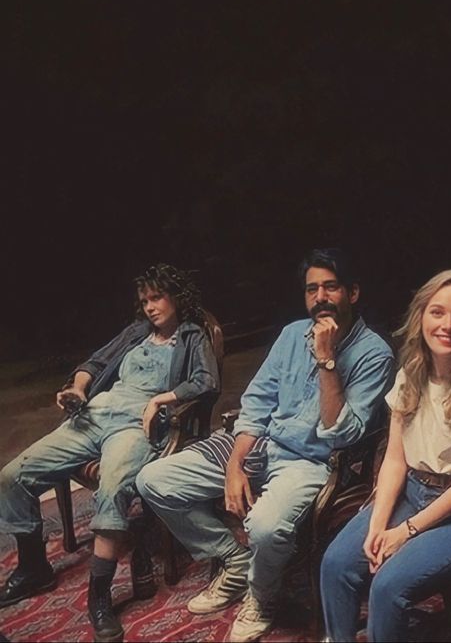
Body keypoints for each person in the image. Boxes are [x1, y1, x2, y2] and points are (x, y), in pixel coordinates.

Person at [136, 248, 394, 642]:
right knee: (154, 479)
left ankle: (261, 596)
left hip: (312, 461)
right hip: (262, 446)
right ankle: (234, 560)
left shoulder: (374, 353)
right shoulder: (292, 334)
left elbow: (342, 434)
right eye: (312, 290)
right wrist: (236, 463)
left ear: (353, 293)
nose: (320, 298)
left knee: (266, 525)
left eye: (331, 287)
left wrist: (326, 360)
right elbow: (256, 402)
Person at [0, 263, 219, 642]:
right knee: (12, 475)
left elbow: (206, 381)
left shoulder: (192, 337)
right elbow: (95, 363)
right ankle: (34, 567)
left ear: (176, 298)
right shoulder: (136, 333)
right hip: (97, 412)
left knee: (113, 487)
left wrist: (162, 399)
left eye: (157, 297)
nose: (150, 307)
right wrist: (80, 389)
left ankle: (98, 595)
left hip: (136, 424)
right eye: (145, 300)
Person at [320, 269, 451, 642]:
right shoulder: (410, 374)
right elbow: (394, 460)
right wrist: (378, 523)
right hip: (413, 492)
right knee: (336, 564)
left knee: (388, 586)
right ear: (421, 316)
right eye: (437, 312)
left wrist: (402, 533)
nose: (448, 324)